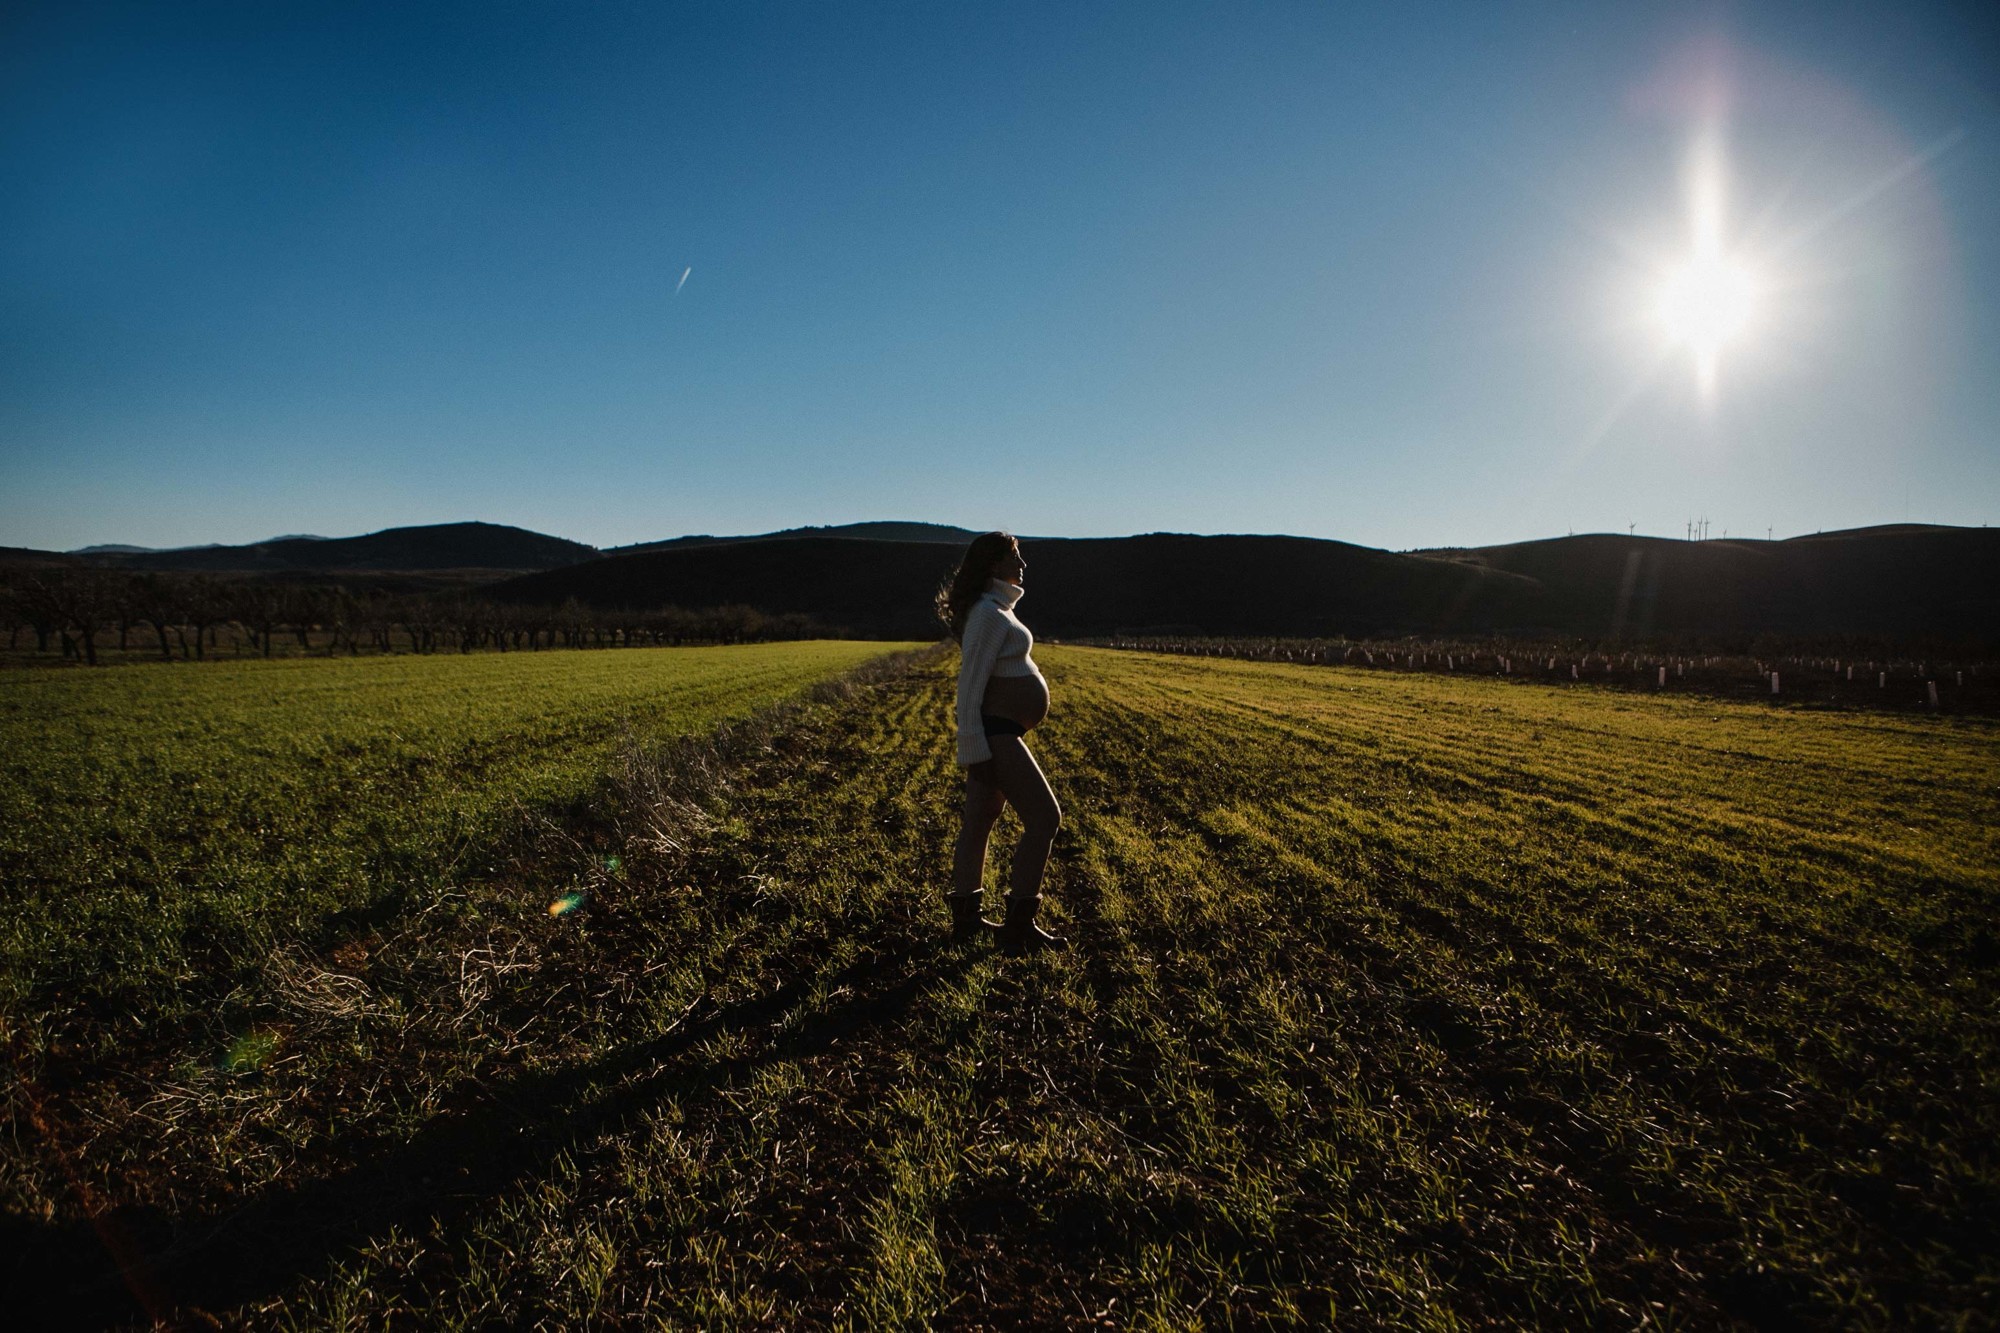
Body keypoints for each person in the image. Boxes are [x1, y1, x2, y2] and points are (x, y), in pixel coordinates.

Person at [936, 531, 1064, 953]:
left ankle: (967, 924)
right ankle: (1019, 929)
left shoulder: (994, 610)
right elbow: (970, 686)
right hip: (995, 732)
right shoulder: (988, 615)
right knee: (1045, 819)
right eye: (1016, 557)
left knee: (979, 821)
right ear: (994, 565)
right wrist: (974, 747)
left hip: (999, 730)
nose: (1023, 565)